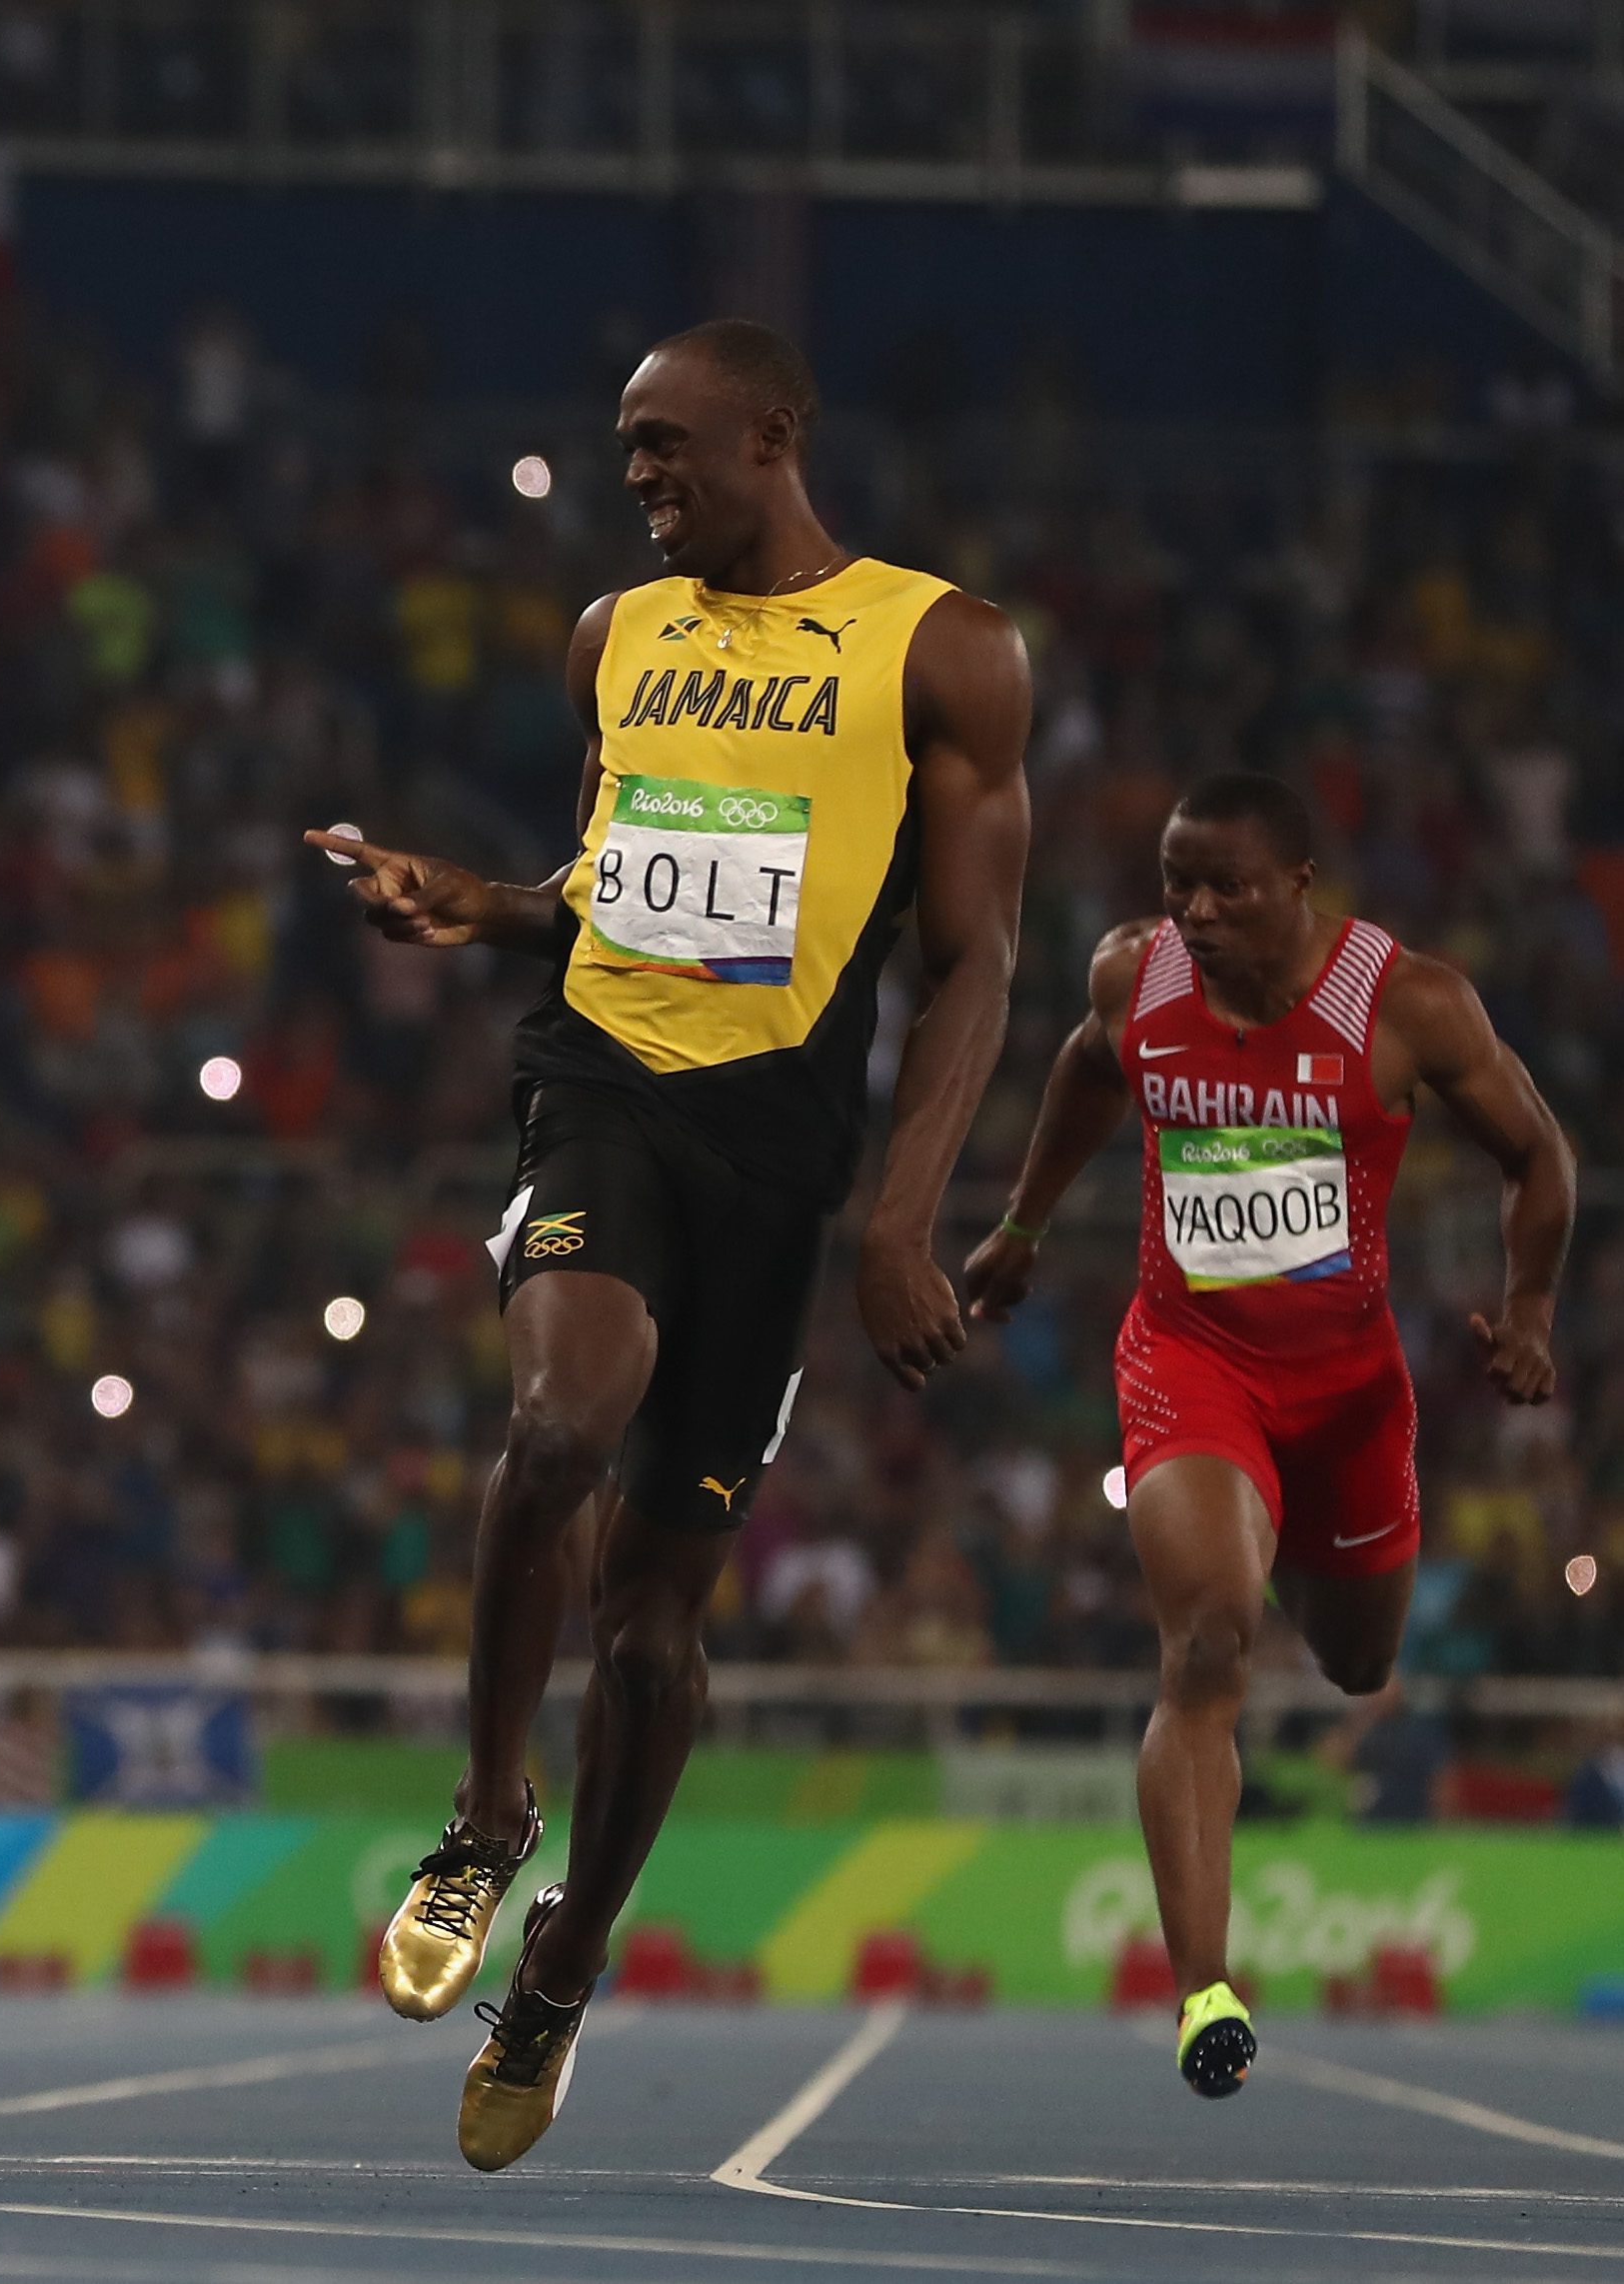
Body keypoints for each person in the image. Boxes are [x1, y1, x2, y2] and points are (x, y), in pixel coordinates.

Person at [309, 318, 1029, 2170]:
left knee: (651, 1626)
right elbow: (604, 884)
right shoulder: (612, 640)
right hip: (600, 1086)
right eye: (624, 448)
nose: (634, 474)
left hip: (778, 1153)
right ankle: (484, 1820)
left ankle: (561, 1968)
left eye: (663, 443)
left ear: (774, 431)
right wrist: (476, 908)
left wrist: (896, 1218)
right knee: (557, 1424)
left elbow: (972, 967)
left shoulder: (939, 648)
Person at [966, 771, 1568, 2098]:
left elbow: (1539, 1155)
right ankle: (1202, 1986)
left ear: (1299, 883)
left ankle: (1292, 1542)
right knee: (1206, 1644)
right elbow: (1080, 1071)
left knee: (1357, 1661)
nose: (1192, 908)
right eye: (1177, 880)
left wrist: (1527, 1305)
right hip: (1192, 1365)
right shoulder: (1135, 978)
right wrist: (1019, 1225)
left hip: (1349, 1393)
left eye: (1224, 886)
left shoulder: (1404, 1002)